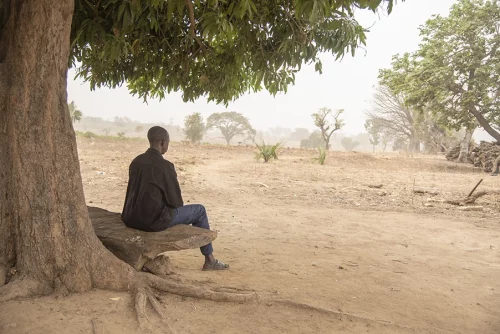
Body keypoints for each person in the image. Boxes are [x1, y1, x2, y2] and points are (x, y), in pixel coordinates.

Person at [121, 126, 229, 270]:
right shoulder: (165, 166)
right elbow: (176, 202)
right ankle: (209, 259)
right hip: (153, 221)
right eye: (168, 143)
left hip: (130, 218)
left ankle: (210, 259)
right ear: (163, 142)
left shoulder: (136, 161)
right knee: (199, 210)